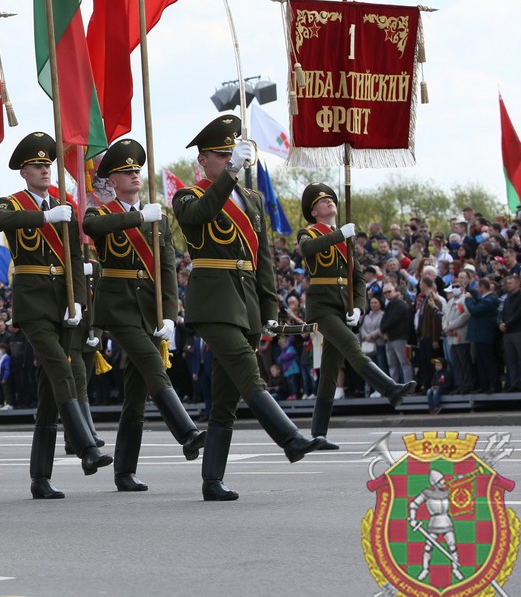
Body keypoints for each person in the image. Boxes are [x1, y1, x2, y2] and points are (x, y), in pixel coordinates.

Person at [171, 116, 321, 502]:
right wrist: (233, 172)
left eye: (231, 155)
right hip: (213, 301)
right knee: (247, 371)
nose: (227, 160)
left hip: (246, 302)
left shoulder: (252, 199)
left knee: (224, 396)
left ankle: (211, 481)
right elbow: (198, 217)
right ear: (204, 160)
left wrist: (269, 305)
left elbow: (263, 258)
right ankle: (289, 439)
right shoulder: (187, 196)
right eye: (221, 156)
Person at [83, 137, 204, 493]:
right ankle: (187, 432)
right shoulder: (101, 213)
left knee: (135, 392)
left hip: (149, 308)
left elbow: (167, 268)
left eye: (136, 170)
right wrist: (137, 217)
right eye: (125, 172)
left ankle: (124, 471)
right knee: (153, 365)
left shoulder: (159, 220)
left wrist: (169, 313)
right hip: (118, 306)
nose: (134, 176)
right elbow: (93, 230)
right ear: (113, 181)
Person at [0, 132, 110, 500]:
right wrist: (44, 215)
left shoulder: (64, 204)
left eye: (48, 165)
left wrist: (79, 300)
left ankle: (40, 477)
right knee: (61, 368)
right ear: (24, 172)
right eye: (38, 166)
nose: (45, 170)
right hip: (33, 304)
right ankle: (86, 448)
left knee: (52, 391)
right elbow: (0, 222)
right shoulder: (12, 203)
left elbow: (75, 257)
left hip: (62, 300)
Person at [295, 183, 417, 450]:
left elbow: (358, 279)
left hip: (342, 307)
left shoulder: (345, 239)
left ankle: (318, 434)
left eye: (330, 199)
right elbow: (308, 250)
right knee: (352, 347)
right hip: (322, 308)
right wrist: (339, 235)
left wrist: (359, 307)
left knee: (328, 372)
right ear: (314, 211)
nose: (329, 202)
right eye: (323, 201)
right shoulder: (309, 233)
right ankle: (390, 389)